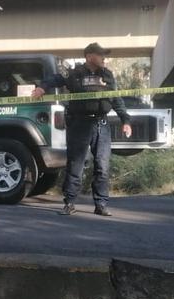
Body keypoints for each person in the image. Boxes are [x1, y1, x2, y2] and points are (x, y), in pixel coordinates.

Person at [32, 43, 132, 216]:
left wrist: (125, 119)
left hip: (101, 124)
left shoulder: (107, 75)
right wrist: (42, 87)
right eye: (100, 55)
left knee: (102, 166)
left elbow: (115, 98)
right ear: (89, 56)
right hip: (80, 124)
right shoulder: (74, 73)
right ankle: (69, 203)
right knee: (75, 165)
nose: (104, 58)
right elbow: (55, 78)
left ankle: (101, 204)